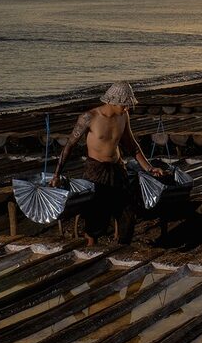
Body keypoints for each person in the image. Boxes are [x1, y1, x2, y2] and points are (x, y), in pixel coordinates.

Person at [50, 81, 165, 246]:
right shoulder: (89, 117)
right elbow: (69, 146)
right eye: (124, 104)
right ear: (113, 101)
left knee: (128, 212)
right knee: (96, 214)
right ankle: (90, 249)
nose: (127, 108)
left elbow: (132, 145)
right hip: (96, 170)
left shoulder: (123, 116)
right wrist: (56, 174)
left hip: (118, 168)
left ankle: (122, 248)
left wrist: (149, 167)